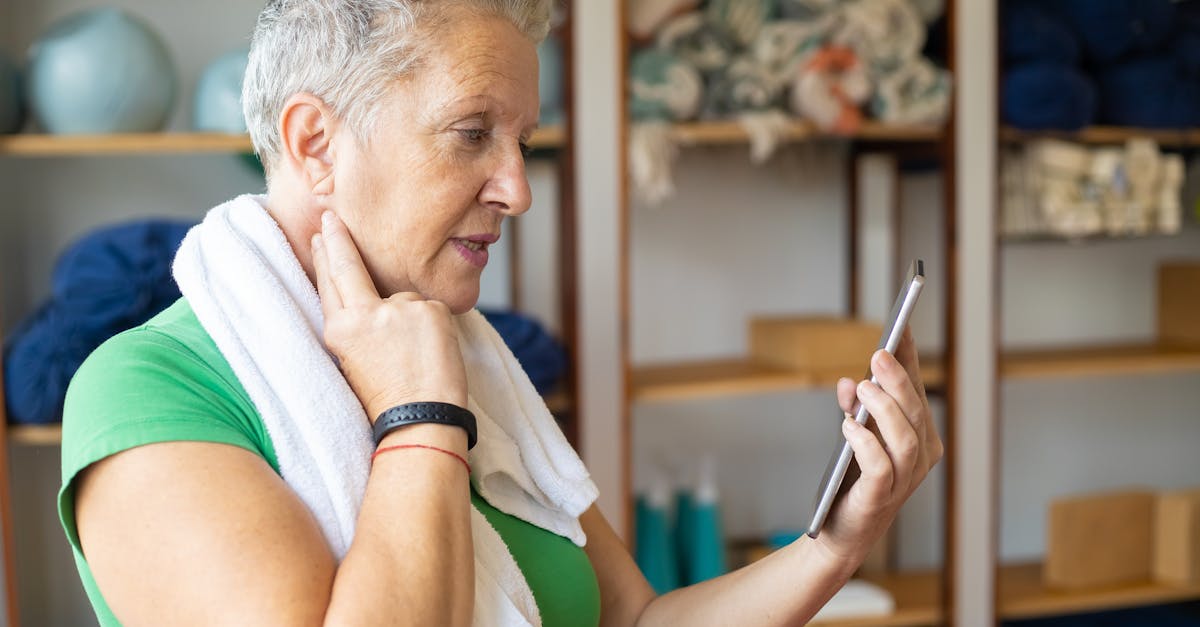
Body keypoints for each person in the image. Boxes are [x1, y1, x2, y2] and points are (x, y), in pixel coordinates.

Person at [58, 0, 944, 625]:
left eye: (521, 140)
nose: (517, 188)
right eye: (473, 131)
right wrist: (418, 426)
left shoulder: (465, 356)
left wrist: (833, 544)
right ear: (315, 143)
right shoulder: (145, 392)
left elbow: (632, 620)